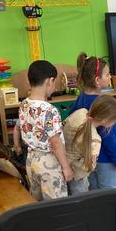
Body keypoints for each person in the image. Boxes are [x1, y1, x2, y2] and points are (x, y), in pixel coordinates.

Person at [14, 60, 72, 200]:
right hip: (49, 162)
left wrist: (17, 145)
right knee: (56, 204)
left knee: (38, 202)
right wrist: (66, 167)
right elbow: (55, 142)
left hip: (31, 160)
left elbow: (18, 128)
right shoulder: (50, 110)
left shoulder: (24, 104)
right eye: (54, 82)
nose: (55, 86)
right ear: (49, 81)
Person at [69, 53, 116, 188]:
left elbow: (72, 118)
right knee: (108, 191)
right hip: (105, 158)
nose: (110, 77)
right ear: (97, 80)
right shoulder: (103, 103)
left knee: (94, 189)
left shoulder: (81, 98)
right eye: (107, 74)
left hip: (89, 157)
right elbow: (108, 136)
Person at [63, 95, 116, 195]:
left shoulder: (81, 112)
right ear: (105, 120)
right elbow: (90, 166)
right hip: (77, 173)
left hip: (63, 162)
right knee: (80, 197)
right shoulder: (95, 140)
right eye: (114, 121)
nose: (114, 124)